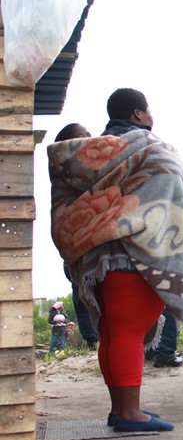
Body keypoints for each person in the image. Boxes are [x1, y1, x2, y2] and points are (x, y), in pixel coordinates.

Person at [48, 88, 183, 432]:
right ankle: (131, 414)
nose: (151, 117)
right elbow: (174, 187)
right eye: (148, 111)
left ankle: (121, 409)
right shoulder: (146, 145)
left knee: (113, 331)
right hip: (137, 254)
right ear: (137, 114)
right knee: (130, 330)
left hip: (98, 258)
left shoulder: (93, 153)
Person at [54, 124, 99, 350]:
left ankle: (98, 338)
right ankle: (92, 339)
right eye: (82, 135)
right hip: (79, 248)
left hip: (92, 245)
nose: (90, 137)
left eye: (89, 133)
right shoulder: (71, 172)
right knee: (82, 295)